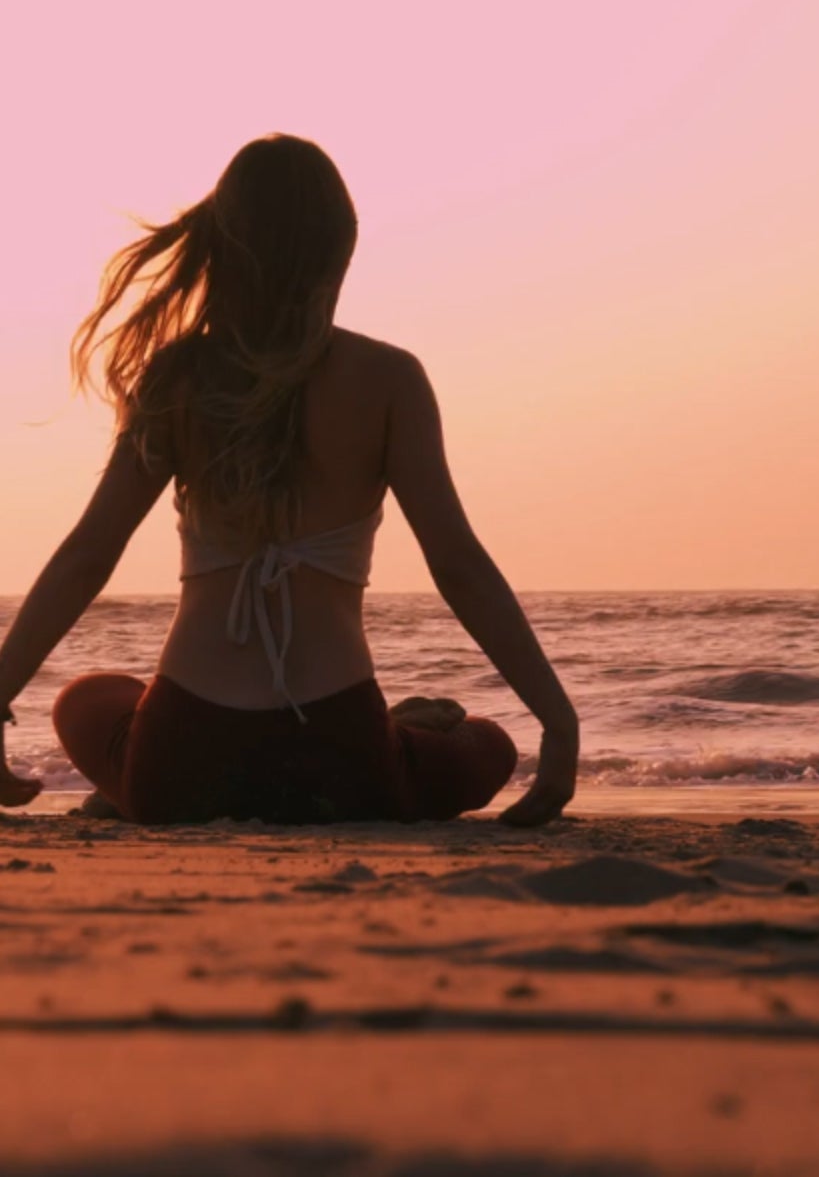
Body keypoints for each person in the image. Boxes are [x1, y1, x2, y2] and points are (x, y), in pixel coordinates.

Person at [0, 134, 578, 827]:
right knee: (490, 745)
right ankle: (402, 730)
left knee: (85, 699)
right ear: (340, 255)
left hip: (181, 762)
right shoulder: (390, 379)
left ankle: (125, 788)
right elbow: (458, 564)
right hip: (342, 760)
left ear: (219, 248)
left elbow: (88, 553)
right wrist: (558, 720)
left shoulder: (180, 376)